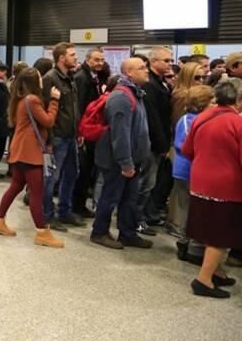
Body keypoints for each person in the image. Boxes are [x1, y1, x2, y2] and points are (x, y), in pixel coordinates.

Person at [182, 79, 242, 299]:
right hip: (226, 186)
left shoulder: (203, 117)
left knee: (209, 230)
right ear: (238, 100)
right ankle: (203, 280)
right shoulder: (237, 123)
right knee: (221, 235)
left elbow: (187, 149)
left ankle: (216, 272)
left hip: (200, 181)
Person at [0, 68, 62, 247]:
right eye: (39, 77)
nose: (42, 79)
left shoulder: (21, 99)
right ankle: (42, 232)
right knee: (36, 193)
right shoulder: (32, 100)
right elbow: (48, 121)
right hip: (30, 153)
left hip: (20, 150)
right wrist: (55, 101)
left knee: (16, 186)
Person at [90, 58, 153, 250]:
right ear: (129, 72)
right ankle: (99, 232)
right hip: (118, 160)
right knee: (110, 197)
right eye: (141, 68)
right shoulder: (121, 97)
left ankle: (127, 234)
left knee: (129, 199)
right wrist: (125, 163)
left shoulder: (136, 94)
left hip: (133, 159)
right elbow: (120, 134)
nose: (146, 70)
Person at [42, 43, 84, 231]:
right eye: (72, 54)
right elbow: (45, 110)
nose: (76, 57)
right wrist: (48, 140)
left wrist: (78, 131)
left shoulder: (70, 77)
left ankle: (65, 211)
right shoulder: (50, 78)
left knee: (72, 173)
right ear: (61, 58)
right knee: (51, 178)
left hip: (71, 136)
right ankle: (47, 215)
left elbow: (73, 108)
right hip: (57, 137)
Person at [169, 85, 214, 240]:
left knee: (190, 208)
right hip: (186, 170)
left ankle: (188, 237)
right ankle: (185, 239)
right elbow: (184, 145)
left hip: (191, 169)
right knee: (187, 208)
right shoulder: (188, 120)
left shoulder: (197, 119)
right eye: (212, 102)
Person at [139, 46, 174, 234]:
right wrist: (161, 145)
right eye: (166, 61)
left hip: (159, 141)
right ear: (153, 62)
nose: (170, 64)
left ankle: (147, 215)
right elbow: (153, 118)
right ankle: (137, 219)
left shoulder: (161, 83)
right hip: (152, 143)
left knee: (152, 183)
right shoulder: (150, 85)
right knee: (145, 184)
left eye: (171, 60)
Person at [74, 48, 108, 218]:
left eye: (102, 60)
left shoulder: (96, 77)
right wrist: (79, 132)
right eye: (96, 60)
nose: (100, 63)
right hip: (85, 131)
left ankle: (79, 204)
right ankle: (76, 206)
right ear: (88, 60)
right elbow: (79, 105)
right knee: (83, 170)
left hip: (92, 129)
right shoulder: (82, 78)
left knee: (88, 171)